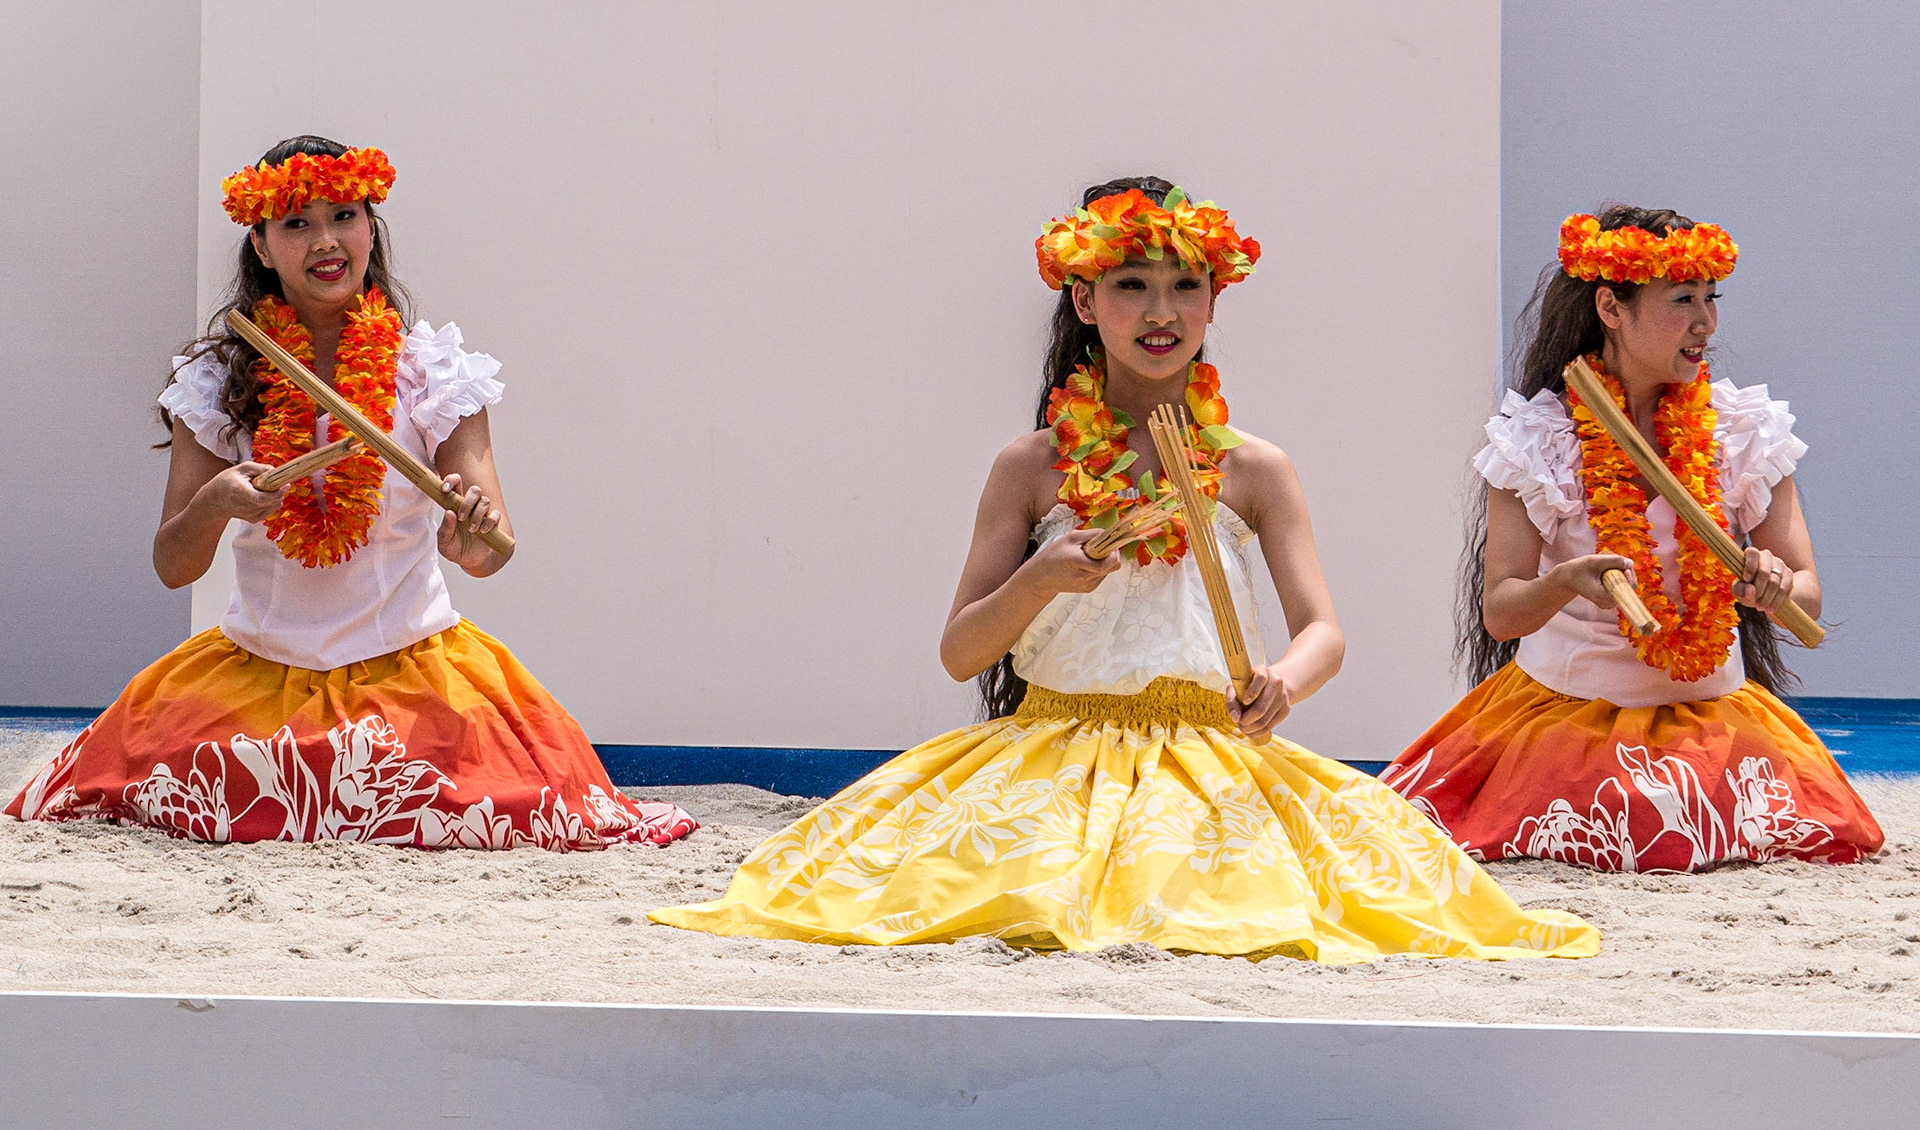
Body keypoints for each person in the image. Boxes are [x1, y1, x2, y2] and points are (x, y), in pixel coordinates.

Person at [651, 178, 1597, 961]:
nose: (1160, 311)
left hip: (1209, 750)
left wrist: (1283, 681)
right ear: (1083, 301)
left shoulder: (1254, 468)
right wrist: (1038, 580)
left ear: (1214, 301)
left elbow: (1324, 632)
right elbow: (959, 651)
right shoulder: (1031, 466)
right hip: (1050, 747)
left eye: (1185, 286)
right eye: (1131, 285)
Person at [7, 136, 695, 850]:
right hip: (254, 674)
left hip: (417, 670)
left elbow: (491, 551)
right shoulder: (218, 380)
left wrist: (467, 539)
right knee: (152, 794)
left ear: (371, 227)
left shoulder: (432, 371)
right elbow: (173, 566)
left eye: (344, 215)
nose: (326, 241)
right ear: (261, 246)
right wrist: (214, 503)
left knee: (504, 807)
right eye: (296, 223)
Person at [1382, 206, 1882, 872]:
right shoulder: (1539, 439)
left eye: (1711, 298)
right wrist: (1565, 582)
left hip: (1709, 714)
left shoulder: (1743, 430)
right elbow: (1501, 612)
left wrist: (1775, 585)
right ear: (1611, 308)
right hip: (1567, 717)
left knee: (1741, 828)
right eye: (1682, 300)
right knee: (1629, 825)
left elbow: (1807, 597)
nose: (1706, 322)